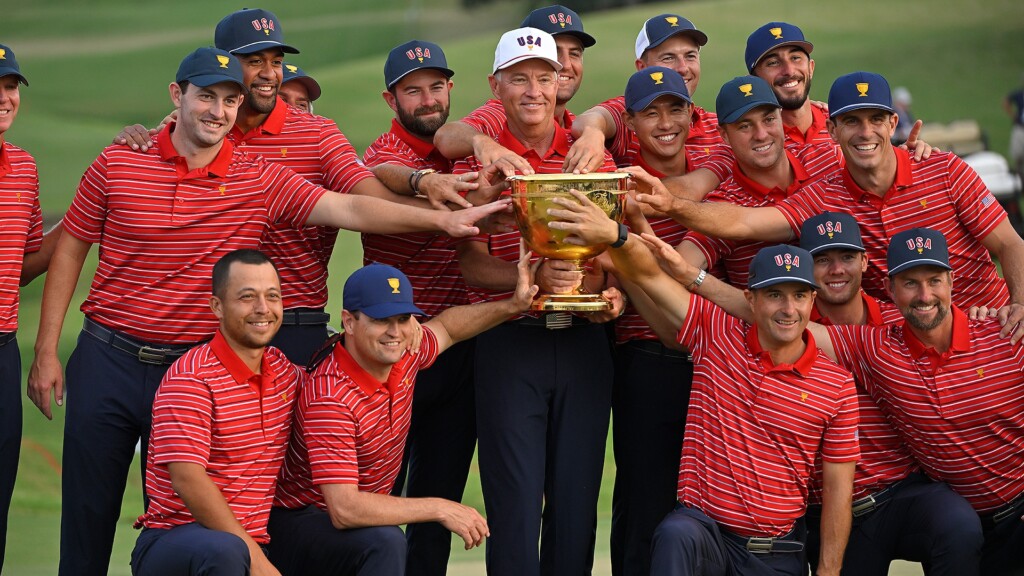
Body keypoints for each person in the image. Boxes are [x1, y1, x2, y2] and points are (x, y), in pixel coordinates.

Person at [27, 46, 505, 576]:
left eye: (229, 100)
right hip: (108, 356)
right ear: (176, 95)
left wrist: (444, 221)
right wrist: (46, 350)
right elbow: (70, 247)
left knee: (189, 521)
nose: (217, 110)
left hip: (187, 364)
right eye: (206, 97)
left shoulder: (257, 176)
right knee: (88, 519)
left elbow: (349, 205)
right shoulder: (118, 161)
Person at [117, 8, 469, 366]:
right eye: (254, 61)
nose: (269, 73)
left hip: (296, 319)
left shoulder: (318, 133)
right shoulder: (202, 131)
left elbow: (365, 199)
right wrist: (143, 137)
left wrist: (457, 214)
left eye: (276, 61)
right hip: (209, 322)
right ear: (224, 63)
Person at [654, 213, 985, 574]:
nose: (837, 269)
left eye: (846, 257)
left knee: (957, 525)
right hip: (825, 510)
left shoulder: (900, 322)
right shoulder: (789, 325)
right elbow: (758, 308)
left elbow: (952, 339)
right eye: (823, 259)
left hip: (898, 492)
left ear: (864, 262)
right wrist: (692, 276)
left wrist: (997, 313)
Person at [549, 201, 860, 576]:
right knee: (677, 533)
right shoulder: (716, 335)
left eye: (798, 295)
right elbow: (650, 275)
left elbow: (838, 492)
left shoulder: (836, 384)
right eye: (774, 294)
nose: (788, 309)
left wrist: (828, 571)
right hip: (706, 538)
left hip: (776, 552)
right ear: (750, 299)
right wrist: (617, 235)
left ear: (812, 299)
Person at [632, 71, 1024, 326]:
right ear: (832, 130)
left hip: (992, 323)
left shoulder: (943, 169)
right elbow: (744, 221)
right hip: (900, 345)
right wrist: (670, 207)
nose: (865, 132)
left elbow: (1010, 243)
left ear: (894, 123)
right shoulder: (825, 195)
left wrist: (1019, 306)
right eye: (852, 121)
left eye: (875, 119)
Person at [452, 27, 622, 576]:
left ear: (559, 81)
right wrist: (531, 279)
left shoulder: (590, 152)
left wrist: (605, 289)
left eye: (544, 78)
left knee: (576, 506)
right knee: (515, 506)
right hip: (508, 342)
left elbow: (614, 254)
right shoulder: (483, 161)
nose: (533, 91)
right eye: (518, 79)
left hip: (584, 342)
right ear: (495, 86)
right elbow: (472, 264)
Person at [268, 255, 537, 576]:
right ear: (349, 322)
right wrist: (440, 507)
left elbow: (448, 328)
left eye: (403, 318)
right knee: (385, 541)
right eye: (381, 320)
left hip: (341, 525)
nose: (394, 331)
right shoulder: (331, 397)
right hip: (300, 524)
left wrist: (512, 306)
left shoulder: (404, 353)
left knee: (383, 538)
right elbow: (345, 509)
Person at [361, 40, 483, 576]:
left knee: (438, 499)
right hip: (392, 351)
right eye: (413, 91)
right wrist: (428, 185)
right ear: (391, 100)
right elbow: (385, 174)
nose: (428, 99)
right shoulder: (379, 157)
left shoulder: (469, 153)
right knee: (379, 499)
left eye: (436, 87)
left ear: (450, 89)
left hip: (457, 348)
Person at [130, 249, 300, 576]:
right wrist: (259, 564)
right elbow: (188, 479)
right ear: (217, 307)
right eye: (247, 297)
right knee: (227, 549)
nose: (263, 308)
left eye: (272, 296)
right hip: (175, 541)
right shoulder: (191, 379)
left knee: (372, 540)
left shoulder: (283, 372)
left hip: (248, 542)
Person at [605, 66, 703, 576]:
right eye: (651, 113)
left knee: (707, 504)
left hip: (712, 361)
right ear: (631, 123)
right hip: (645, 358)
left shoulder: (712, 176)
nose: (665, 124)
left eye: (674, 109)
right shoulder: (615, 186)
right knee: (645, 501)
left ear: (692, 115)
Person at [677, 75, 840, 289]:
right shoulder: (722, 206)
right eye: (745, 126)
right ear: (724, 135)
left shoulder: (828, 160)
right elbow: (678, 268)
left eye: (769, 119)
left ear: (781, 117)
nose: (761, 134)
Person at [568, 13, 731, 201]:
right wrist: (592, 133)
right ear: (642, 67)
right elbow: (594, 118)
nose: (683, 68)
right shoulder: (632, 110)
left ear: (690, 110)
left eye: (690, 56)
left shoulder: (720, 126)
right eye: (668, 58)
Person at [0, 42, 55, 572]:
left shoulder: (23, 167)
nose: (5, 97)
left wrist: (86, 214)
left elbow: (21, 267)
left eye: (11, 85)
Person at [433, 4, 595, 177]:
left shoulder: (577, 126)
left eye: (574, 53)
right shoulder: (499, 113)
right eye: (554, 51)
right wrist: (482, 142)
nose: (566, 65)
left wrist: (595, 134)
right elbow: (445, 136)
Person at [744, 21, 831, 149]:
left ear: (811, 68)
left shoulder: (842, 124)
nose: (789, 71)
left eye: (795, 58)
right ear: (754, 81)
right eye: (773, 63)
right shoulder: (754, 144)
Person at [1003, 72, 1024, 175]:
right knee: (1018, 154)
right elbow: (1006, 101)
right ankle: (1018, 174)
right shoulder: (1019, 95)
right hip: (1020, 127)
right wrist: (1013, 115)